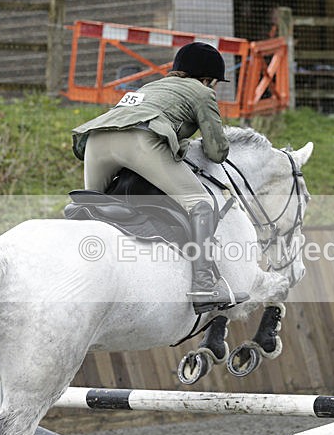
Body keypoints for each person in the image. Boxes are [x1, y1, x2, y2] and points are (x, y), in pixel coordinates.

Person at [71, 42, 247, 313]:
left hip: (97, 140)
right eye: (214, 83)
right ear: (208, 79)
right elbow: (216, 151)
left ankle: (77, 266)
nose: (213, 88)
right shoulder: (202, 92)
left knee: (94, 207)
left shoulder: (150, 86)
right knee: (200, 204)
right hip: (139, 142)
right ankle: (203, 284)